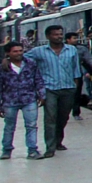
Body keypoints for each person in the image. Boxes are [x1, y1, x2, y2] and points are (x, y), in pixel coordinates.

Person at [23, 25, 82, 158]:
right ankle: (50, 147)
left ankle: (58, 141)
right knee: (50, 118)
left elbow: (76, 70)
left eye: (61, 34)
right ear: (48, 36)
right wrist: (7, 60)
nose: (59, 37)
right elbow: (22, 58)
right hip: (49, 89)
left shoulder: (71, 50)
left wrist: (75, 88)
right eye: (55, 34)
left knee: (63, 117)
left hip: (68, 88)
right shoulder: (39, 51)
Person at [0, 42, 45, 160]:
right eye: (15, 51)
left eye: (20, 51)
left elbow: (38, 80)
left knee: (31, 125)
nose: (19, 53)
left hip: (29, 99)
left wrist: (42, 94)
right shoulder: (2, 68)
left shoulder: (30, 64)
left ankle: (32, 150)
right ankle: (6, 150)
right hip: (10, 101)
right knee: (9, 126)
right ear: (8, 53)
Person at [65, 32, 92, 120]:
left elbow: (88, 57)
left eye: (76, 38)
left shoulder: (81, 49)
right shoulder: (62, 49)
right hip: (64, 75)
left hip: (77, 75)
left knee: (77, 94)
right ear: (68, 40)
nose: (76, 40)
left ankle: (76, 113)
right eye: (74, 38)